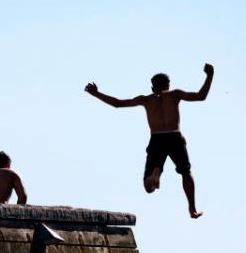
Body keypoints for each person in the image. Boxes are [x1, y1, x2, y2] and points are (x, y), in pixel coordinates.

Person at [85, 63, 214, 219]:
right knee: (186, 172)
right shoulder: (175, 94)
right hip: (174, 137)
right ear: (168, 85)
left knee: (148, 187)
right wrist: (209, 76)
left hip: (157, 138)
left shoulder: (146, 99)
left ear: (152, 88)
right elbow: (201, 96)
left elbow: (118, 104)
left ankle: (156, 172)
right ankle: (192, 209)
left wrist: (96, 93)